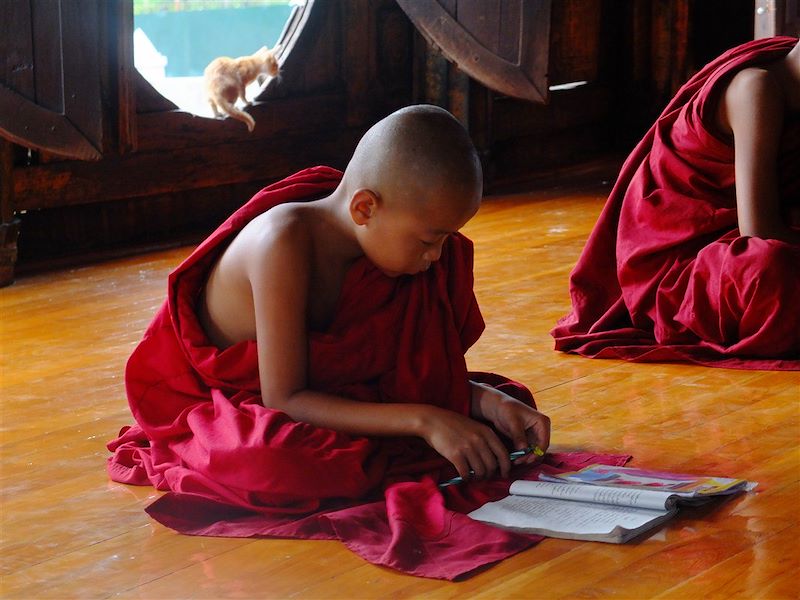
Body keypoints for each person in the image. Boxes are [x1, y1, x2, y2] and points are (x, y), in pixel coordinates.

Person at [108, 105, 551, 515]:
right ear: (365, 208)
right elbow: (285, 398)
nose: (438, 258)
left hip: (334, 393)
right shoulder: (283, 244)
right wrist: (428, 419)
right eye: (428, 240)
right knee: (277, 463)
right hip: (245, 399)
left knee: (508, 417)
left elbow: (408, 370)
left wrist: (485, 401)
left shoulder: (385, 247)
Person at [551, 36, 800, 369]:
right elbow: (759, 231)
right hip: (682, 266)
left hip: (744, 241)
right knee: (771, 273)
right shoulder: (756, 88)